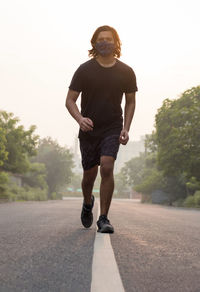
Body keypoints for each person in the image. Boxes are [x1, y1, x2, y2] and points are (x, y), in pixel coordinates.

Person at [65, 25, 138, 233]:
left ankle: (104, 218)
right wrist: (80, 119)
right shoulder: (84, 70)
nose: (105, 42)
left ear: (116, 43)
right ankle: (88, 203)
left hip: (112, 127)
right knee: (89, 175)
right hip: (89, 129)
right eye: (101, 39)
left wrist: (126, 127)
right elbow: (70, 100)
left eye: (109, 39)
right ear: (94, 43)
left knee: (107, 166)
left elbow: (131, 102)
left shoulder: (126, 71)